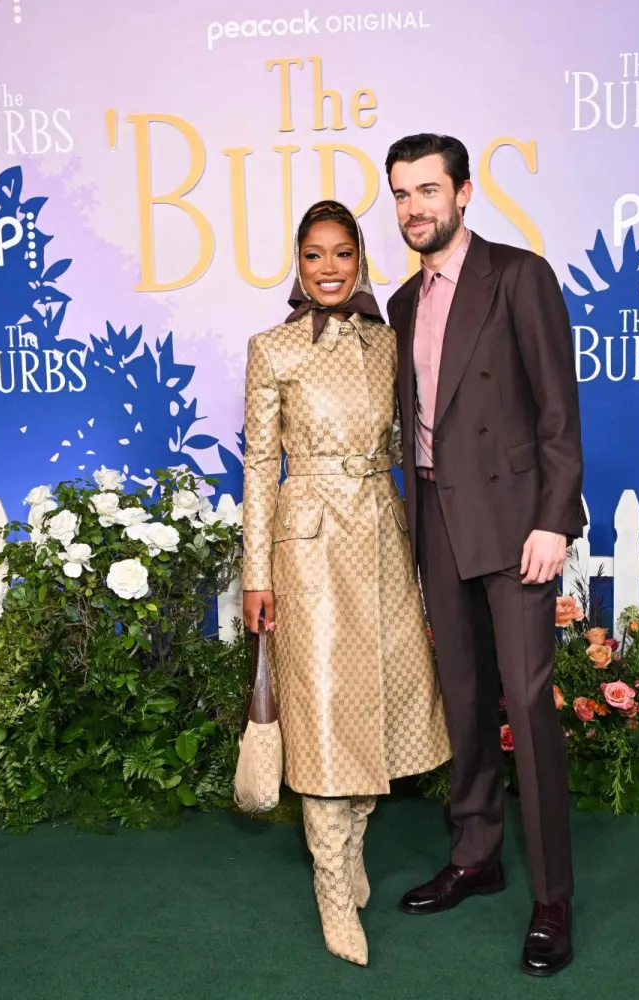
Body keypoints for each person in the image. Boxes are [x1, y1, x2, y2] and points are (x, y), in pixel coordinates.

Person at [384, 134, 585, 977]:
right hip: (438, 518)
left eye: (428, 189)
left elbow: (557, 411)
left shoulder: (519, 276)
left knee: (527, 705)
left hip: (515, 525)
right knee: (463, 696)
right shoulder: (398, 304)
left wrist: (553, 520)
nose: (414, 208)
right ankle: (477, 853)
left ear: (464, 193)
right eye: (400, 194)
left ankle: (551, 897)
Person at [241, 199, 452, 968]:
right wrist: (256, 572)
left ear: (360, 260)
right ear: (297, 265)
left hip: (381, 533)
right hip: (307, 544)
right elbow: (262, 463)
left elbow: (411, 444)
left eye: (342, 254)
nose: (329, 268)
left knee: (382, 701)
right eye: (314, 255)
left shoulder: (388, 342)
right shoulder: (273, 349)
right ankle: (333, 889)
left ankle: (355, 844)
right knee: (327, 707)